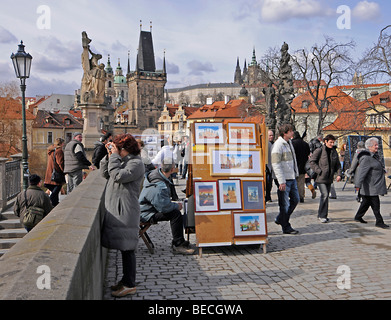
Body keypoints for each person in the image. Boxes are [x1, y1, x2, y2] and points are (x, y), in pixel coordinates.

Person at [100, 133, 145, 297]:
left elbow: (117, 176)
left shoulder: (136, 163)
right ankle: (125, 279)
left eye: (118, 148)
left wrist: (114, 157)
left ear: (125, 149)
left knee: (128, 248)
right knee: (124, 248)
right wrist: (109, 155)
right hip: (118, 209)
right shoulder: (123, 161)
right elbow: (105, 173)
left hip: (126, 210)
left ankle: (129, 284)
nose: (116, 151)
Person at [139, 160, 195, 254]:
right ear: (172, 169)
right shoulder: (158, 186)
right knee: (175, 214)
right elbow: (164, 208)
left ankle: (178, 240)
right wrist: (176, 205)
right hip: (146, 214)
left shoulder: (156, 175)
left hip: (146, 210)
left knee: (174, 212)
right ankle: (178, 244)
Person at [353, 137, 389, 229]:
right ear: (369, 146)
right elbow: (361, 173)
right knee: (375, 204)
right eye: (375, 145)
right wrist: (357, 185)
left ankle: (358, 216)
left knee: (366, 202)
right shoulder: (366, 158)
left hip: (373, 185)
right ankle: (379, 221)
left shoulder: (374, 156)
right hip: (370, 186)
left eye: (377, 145)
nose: (377, 147)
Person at [271, 124, 300, 234]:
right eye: (291, 131)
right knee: (284, 204)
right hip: (284, 179)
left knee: (295, 200)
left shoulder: (289, 143)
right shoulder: (278, 145)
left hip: (291, 177)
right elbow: (276, 164)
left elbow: (293, 161)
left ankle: (280, 219)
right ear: (285, 133)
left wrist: (295, 173)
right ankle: (286, 226)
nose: (293, 133)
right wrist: (281, 181)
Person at [309, 134, 342, 223]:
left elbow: (338, 165)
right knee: (325, 195)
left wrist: (339, 174)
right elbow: (312, 162)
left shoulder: (334, 152)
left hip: (329, 178)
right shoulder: (319, 150)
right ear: (325, 142)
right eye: (330, 142)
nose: (332, 144)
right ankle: (322, 215)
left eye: (333, 142)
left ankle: (322, 214)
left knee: (325, 196)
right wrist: (319, 171)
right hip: (320, 178)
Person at [44, 138, 65, 207]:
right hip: (56, 174)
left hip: (50, 174)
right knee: (57, 189)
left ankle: (54, 204)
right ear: (61, 144)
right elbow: (60, 163)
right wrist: (64, 171)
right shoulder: (59, 151)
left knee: (55, 191)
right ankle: (50, 203)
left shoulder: (51, 151)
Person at [291, 131, 311, 203]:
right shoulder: (305, 144)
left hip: (294, 166)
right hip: (303, 166)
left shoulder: (292, 143)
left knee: (294, 183)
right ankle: (301, 196)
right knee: (301, 183)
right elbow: (308, 153)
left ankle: (294, 196)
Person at [265, 130, 274, 203]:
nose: (272, 137)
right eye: (270, 135)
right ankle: (267, 196)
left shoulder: (272, 144)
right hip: (267, 167)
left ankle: (268, 196)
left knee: (269, 183)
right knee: (267, 183)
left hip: (270, 167)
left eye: (272, 135)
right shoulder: (266, 144)